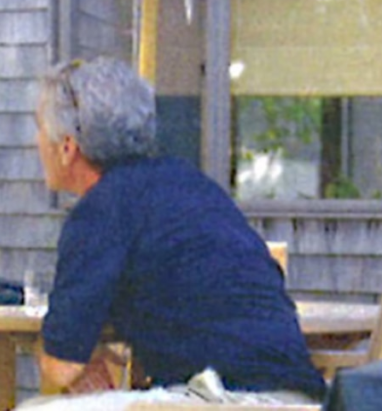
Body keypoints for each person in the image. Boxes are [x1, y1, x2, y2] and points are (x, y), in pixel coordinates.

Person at [19, 58, 326, 409]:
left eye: (39, 127)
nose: (35, 140)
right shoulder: (190, 184)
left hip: (226, 399)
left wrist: (62, 352)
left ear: (67, 147)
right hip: (299, 399)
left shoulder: (101, 211)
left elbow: (62, 367)